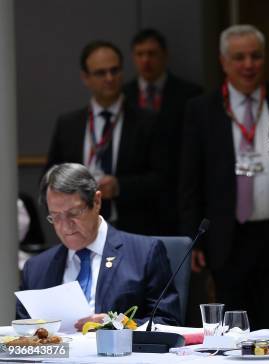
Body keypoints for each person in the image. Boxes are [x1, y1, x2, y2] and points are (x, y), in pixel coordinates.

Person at [179, 25, 269, 329]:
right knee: (234, 324)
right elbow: (189, 179)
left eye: (255, 56)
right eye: (239, 57)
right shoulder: (201, 109)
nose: (248, 65)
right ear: (223, 62)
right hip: (227, 236)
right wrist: (192, 239)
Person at [17, 163, 181, 328]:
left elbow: (169, 323)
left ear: (96, 201)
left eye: (73, 213)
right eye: (56, 216)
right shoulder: (35, 269)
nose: (65, 227)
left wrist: (117, 324)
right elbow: (22, 335)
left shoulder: (145, 254)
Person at [46, 40, 164, 235]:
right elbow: (50, 175)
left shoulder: (147, 122)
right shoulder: (69, 124)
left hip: (132, 228)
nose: (109, 78)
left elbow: (163, 180)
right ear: (85, 77)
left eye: (115, 70)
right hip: (78, 229)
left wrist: (119, 187)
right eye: (101, 73)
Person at [124, 28, 203, 235]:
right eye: (140, 54)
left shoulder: (190, 95)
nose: (146, 60)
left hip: (175, 195)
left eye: (152, 54)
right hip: (134, 200)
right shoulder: (124, 95)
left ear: (165, 56)